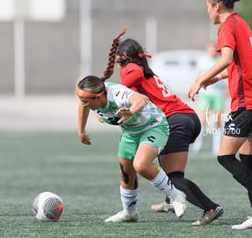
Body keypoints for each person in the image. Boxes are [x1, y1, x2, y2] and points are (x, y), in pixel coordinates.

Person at [100, 28, 223, 226]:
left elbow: (125, 85)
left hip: (174, 120)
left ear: (123, 56)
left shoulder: (132, 68)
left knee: (171, 176)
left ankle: (210, 207)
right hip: (187, 116)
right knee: (169, 172)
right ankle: (170, 202)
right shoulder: (144, 69)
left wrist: (102, 90)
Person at [188, 0, 252, 230]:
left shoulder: (227, 26)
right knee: (248, 158)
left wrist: (200, 79)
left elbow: (227, 59)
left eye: (208, 7)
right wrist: (217, 79)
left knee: (225, 156)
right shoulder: (242, 23)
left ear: (216, 6)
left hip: (246, 102)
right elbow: (241, 64)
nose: (207, 11)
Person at [76, 75, 187, 223]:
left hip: (154, 127)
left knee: (141, 165)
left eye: (85, 101)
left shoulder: (117, 94)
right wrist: (81, 131)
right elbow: (82, 107)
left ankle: (176, 196)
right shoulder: (91, 99)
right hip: (130, 132)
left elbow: (141, 99)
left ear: (98, 97)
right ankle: (129, 213)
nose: (83, 104)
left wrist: (132, 111)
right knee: (126, 173)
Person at [192, 42, 228, 156]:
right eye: (210, 49)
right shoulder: (202, 60)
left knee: (217, 121)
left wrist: (227, 88)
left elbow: (227, 74)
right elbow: (197, 76)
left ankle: (217, 148)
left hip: (218, 94)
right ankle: (198, 146)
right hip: (206, 93)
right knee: (203, 120)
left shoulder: (222, 60)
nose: (212, 51)